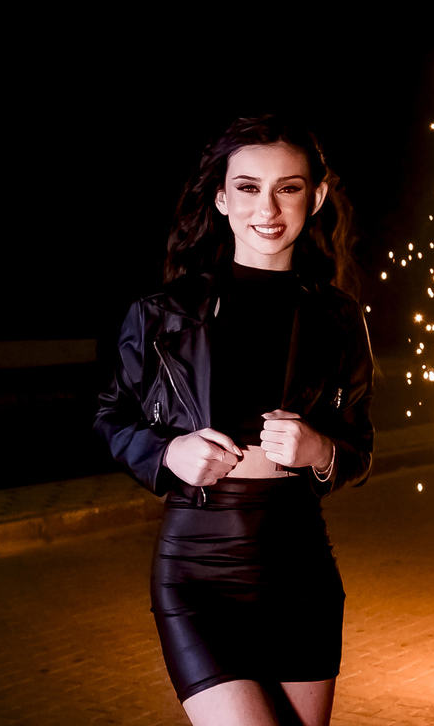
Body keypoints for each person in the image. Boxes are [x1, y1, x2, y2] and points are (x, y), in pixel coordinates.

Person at [94, 115, 373, 726]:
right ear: (221, 198)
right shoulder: (162, 313)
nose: (267, 208)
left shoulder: (338, 316)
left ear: (316, 196)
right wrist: (167, 455)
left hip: (301, 568)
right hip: (198, 571)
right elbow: (112, 416)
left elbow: (359, 444)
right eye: (247, 187)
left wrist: (321, 449)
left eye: (288, 187)